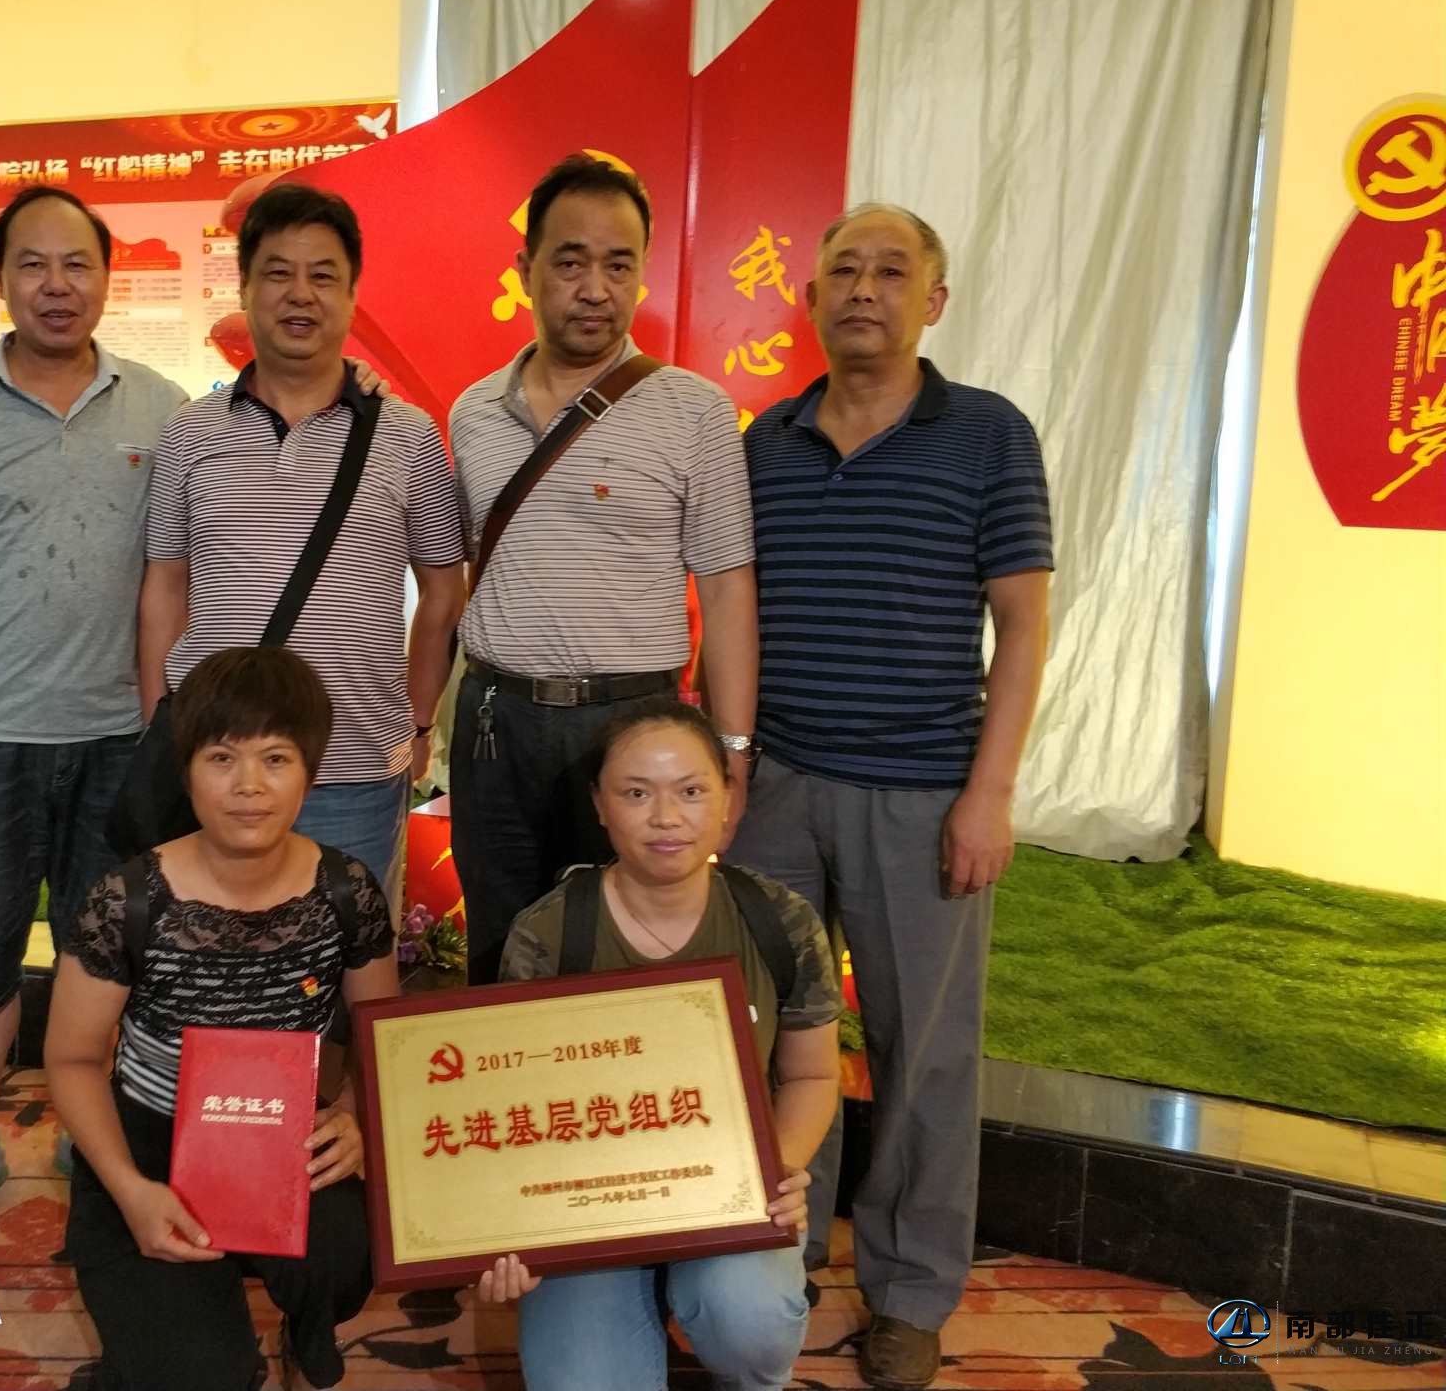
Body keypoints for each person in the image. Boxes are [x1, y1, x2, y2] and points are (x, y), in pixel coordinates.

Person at [733, 204, 1053, 1390]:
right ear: (810, 294)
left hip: (923, 793)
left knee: (922, 1051)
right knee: (771, 1032)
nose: (862, 288)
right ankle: (775, 1250)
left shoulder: (986, 434)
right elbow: (737, 611)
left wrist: (988, 792)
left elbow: (1021, 622)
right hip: (777, 788)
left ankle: (910, 1290)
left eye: (889, 270)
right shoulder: (764, 440)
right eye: (842, 269)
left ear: (934, 299)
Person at [0, 185, 189, 1236]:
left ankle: (82, 1122)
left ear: (107, 276)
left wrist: (162, 729)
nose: (56, 286)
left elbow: (172, 575)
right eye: (32, 264)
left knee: (97, 951)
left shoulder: (163, 407)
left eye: (76, 264)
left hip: (115, 736)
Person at [47, 646, 398, 1390]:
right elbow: (72, 1059)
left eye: (276, 758)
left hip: (284, 1136)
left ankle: (306, 1326)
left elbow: (383, 1035)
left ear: (310, 771)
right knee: (200, 1375)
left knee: (359, 1245)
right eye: (221, 758)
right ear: (187, 771)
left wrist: (355, 1114)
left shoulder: (346, 891)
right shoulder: (128, 898)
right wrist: (129, 1189)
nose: (249, 786)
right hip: (148, 1142)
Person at [448, 153, 760, 985]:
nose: (595, 289)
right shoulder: (473, 411)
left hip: (634, 725)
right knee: (499, 947)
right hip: (496, 723)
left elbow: (728, 592)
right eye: (570, 262)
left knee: (624, 956)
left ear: (642, 273)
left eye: (619, 266)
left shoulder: (695, 411)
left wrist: (731, 746)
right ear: (526, 270)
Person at [477, 701, 842, 1391]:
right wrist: (503, 1227)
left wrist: (775, 1170)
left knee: (751, 1320)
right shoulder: (548, 935)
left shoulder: (780, 921)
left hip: (725, 1190)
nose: (666, 818)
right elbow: (510, 1107)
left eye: (692, 791)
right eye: (637, 793)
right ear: (599, 805)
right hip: (588, 1203)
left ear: (728, 796)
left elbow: (813, 1076)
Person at [138, 183, 465, 888]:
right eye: (278, 273)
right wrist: (161, 723)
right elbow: (165, 586)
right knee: (210, 946)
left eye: (323, 276)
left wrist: (417, 719)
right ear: (245, 288)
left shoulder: (407, 436)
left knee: (349, 948)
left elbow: (444, 590)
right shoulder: (190, 431)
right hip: (216, 762)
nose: (300, 295)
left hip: (354, 768)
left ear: (351, 295)